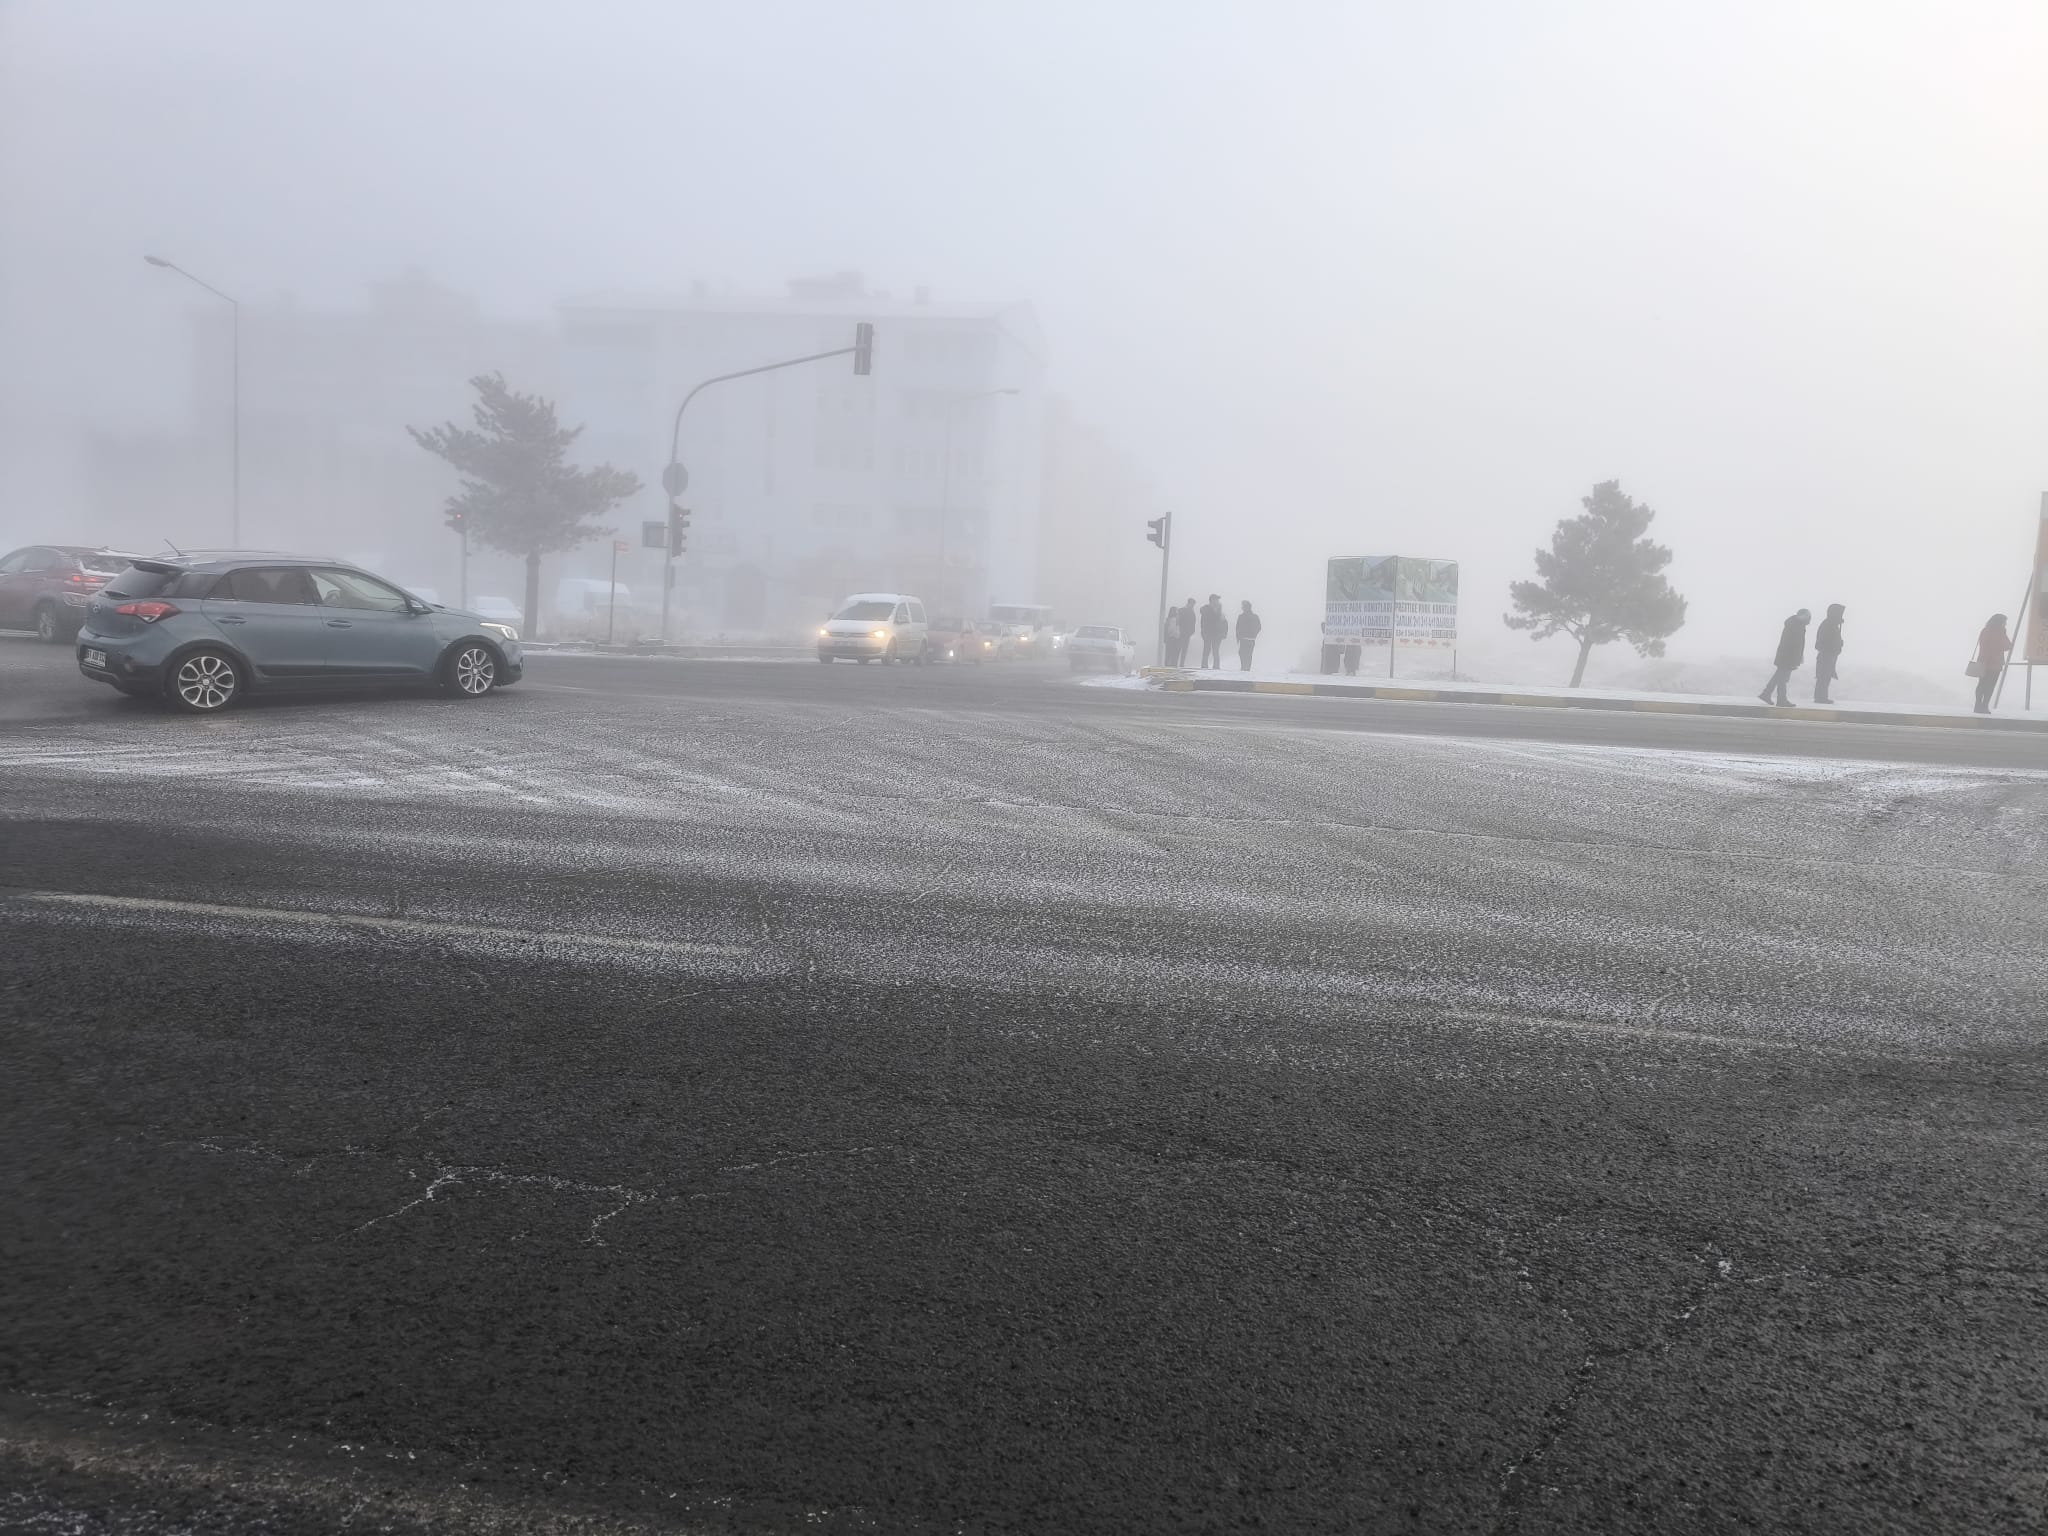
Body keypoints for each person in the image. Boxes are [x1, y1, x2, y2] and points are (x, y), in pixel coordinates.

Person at [1758, 608, 1810, 706]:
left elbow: (1797, 643)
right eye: (1808, 617)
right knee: (1782, 678)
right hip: (1788, 656)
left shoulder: (1795, 624)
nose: (1809, 620)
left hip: (1786, 655)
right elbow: (1795, 643)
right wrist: (1795, 658)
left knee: (1780, 676)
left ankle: (1767, 693)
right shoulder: (1796, 625)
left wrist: (1799, 656)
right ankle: (1780, 699)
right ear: (1803, 616)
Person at [1971, 613, 2012, 714]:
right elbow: (2007, 646)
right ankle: (1984, 706)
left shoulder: (1985, 631)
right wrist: (2003, 633)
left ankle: (1978, 705)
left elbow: (1984, 645)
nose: (2005, 624)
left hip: (1984, 662)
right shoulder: (1999, 633)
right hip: (1994, 664)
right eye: (2004, 622)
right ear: (2000, 622)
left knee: (1982, 684)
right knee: (1990, 686)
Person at [1813, 603, 1845, 704]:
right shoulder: (1828, 624)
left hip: (1829, 655)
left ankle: (1821, 697)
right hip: (1826, 655)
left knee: (1826, 676)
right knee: (1823, 676)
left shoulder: (1831, 624)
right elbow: (1822, 641)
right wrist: (1835, 645)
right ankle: (1820, 698)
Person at [1198, 594, 1228, 669]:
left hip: (1217, 634)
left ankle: (1216, 667)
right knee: (1207, 650)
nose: (1218, 601)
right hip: (1208, 633)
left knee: (1215, 651)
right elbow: (1208, 621)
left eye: (1218, 600)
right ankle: (1204, 666)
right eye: (1216, 599)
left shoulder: (1220, 611)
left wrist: (1224, 633)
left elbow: (1224, 623)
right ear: (1212, 600)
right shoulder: (1206, 609)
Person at [1168, 598, 1197, 666]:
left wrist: (1191, 632)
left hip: (1187, 634)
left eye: (1193, 604)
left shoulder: (1192, 612)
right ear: (1188, 603)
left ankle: (1181, 664)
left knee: (1184, 650)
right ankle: (1174, 663)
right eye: (1192, 604)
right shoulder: (1182, 610)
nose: (1193, 605)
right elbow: (1177, 620)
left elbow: (1193, 623)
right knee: (1178, 649)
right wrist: (1178, 630)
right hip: (1180, 633)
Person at [1235, 601, 1262, 671]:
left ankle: (1244, 667)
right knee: (1247, 654)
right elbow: (1259, 627)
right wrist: (1254, 634)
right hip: (1250, 639)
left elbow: (1237, 628)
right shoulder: (1255, 616)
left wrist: (1238, 637)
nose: (1242, 608)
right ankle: (1246, 668)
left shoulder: (1241, 617)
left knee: (1243, 653)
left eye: (1243, 606)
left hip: (1245, 639)